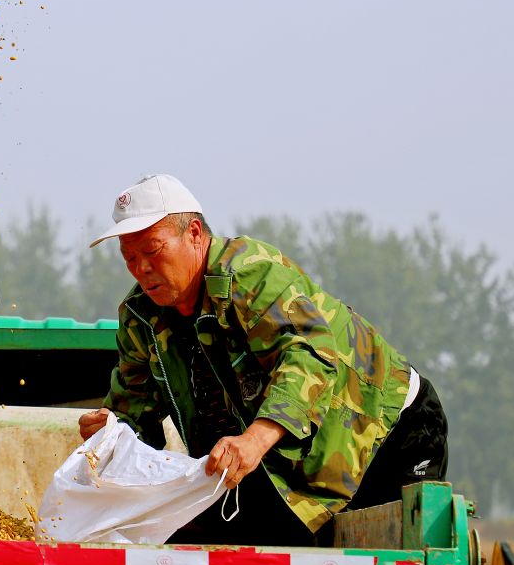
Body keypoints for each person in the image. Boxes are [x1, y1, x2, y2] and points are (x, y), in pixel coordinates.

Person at [77, 174, 448, 546]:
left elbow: (310, 357)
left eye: (153, 250)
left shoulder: (249, 273)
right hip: (295, 464)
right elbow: (132, 412)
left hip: (389, 431)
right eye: (129, 257)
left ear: (193, 233)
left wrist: (253, 441)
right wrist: (111, 429)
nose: (141, 268)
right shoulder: (140, 317)